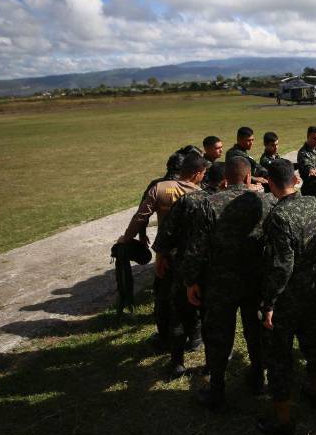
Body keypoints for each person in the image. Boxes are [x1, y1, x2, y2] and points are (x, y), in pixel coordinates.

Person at [181, 157, 275, 408]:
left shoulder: (208, 204)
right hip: (255, 279)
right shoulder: (265, 201)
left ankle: (217, 390)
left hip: (220, 281)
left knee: (219, 335)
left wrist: (191, 280)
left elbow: (196, 247)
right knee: (256, 331)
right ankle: (258, 378)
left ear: (225, 178)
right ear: (248, 177)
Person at [257, 159, 316, 435]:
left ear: (272, 184)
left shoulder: (279, 217)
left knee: (280, 354)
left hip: (289, 295)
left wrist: (269, 302)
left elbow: (282, 266)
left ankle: (283, 418)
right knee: (313, 339)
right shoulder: (315, 204)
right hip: (313, 287)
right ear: (295, 179)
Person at [118, 152, 200, 345]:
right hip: (191, 251)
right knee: (193, 295)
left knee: (163, 296)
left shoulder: (158, 188)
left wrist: (127, 238)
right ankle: (196, 337)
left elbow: (140, 217)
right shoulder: (198, 189)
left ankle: (165, 336)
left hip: (166, 252)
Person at [151, 154, 210, 376]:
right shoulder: (212, 200)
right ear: (198, 174)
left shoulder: (186, 202)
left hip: (182, 266)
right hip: (206, 268)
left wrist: (160, 257)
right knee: (207, 317)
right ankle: (209, 362)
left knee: (179, 315)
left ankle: (177, 362)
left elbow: (165, 235)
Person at [296, 126, 316, 199]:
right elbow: (306, 164)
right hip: (310, 192)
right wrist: (310, 169)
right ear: (308, 137)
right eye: (314, 138)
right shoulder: (303, 153)